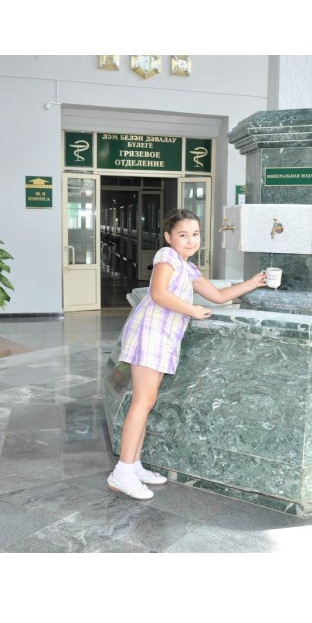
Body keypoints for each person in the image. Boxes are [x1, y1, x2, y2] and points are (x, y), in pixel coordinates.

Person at [107, 208, 268, 500]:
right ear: (169, 237)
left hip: (162, 336)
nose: (191, 240)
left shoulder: (188, 268)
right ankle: (123, 471)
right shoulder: (167, 257)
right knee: (143, 402)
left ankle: (134, 465)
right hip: (150, 333)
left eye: (195, 234)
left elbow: (218, 295)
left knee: (147, 401)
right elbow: (158, 293)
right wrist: (192, 309)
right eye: (183, 235)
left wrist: (254, 282)